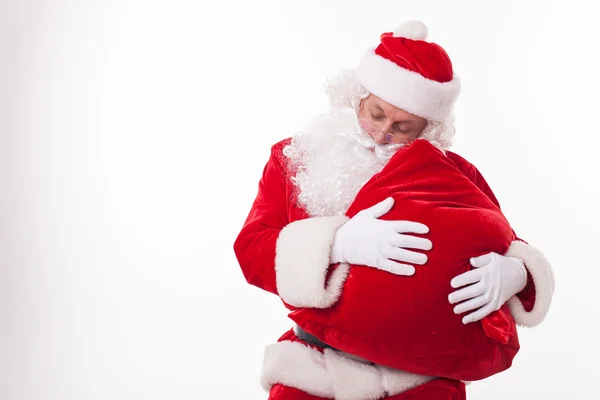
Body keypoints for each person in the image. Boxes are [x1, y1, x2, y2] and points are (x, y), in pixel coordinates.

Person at [233, 20, 554, 399]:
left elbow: (498, 236)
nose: (382, 133)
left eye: (403, 127)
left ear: (426, 130)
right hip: (315, 368)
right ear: (356, 98)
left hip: (422, 377)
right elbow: (251, 248)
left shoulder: (456, 174)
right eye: (375, 113)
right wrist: (336, 244)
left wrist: (517, 272)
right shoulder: (294, 159)